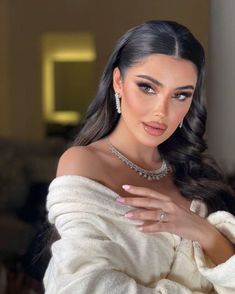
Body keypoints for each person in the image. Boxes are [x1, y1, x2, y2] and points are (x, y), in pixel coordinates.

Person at [43, 20, 235, 293]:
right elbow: (80, 286)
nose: (162, 111)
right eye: (147, 87)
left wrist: (204, 232)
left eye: (180, 95)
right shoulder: (85, 163)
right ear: (118, 82)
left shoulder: (195, 174)